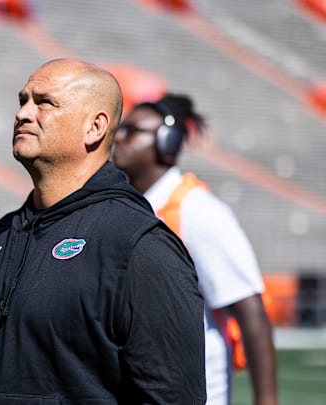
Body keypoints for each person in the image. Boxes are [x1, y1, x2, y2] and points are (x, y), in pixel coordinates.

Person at [0, 59, 206, 404]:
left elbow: (172, 397)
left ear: (94, 127)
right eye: (23, 101)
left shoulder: (140, 246)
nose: (23, 113)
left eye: (45, 102)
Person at [111, 94, 278, 405]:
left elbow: (250, 310)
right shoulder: (131, 205)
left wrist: (266, 401)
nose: (118, 138)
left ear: (167, 144)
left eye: (131, 131)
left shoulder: (198, 212)